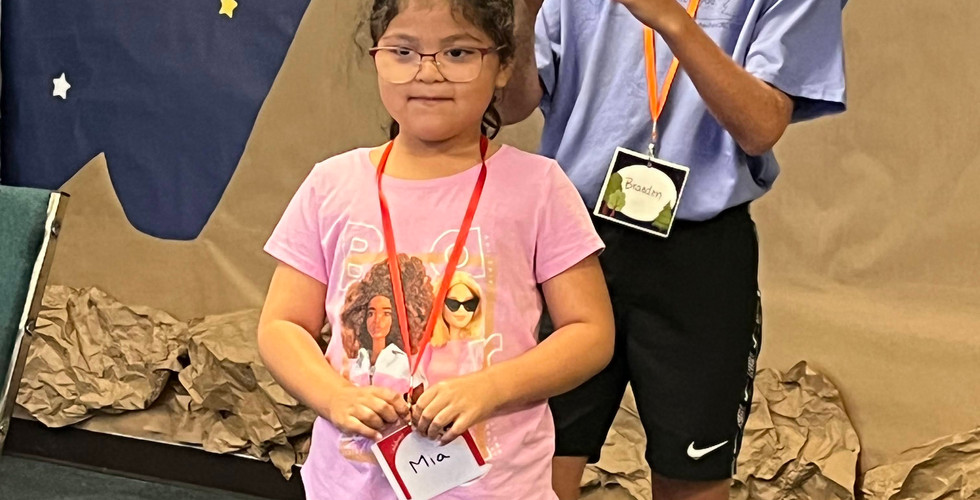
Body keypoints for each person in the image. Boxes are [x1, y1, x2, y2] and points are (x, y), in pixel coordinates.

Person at [257, 0, 614, 498]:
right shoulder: (332, 184)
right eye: (403, 52)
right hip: (350, 485)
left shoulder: (539, 187)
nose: (428, 73)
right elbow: (281, 325)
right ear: (376, 56)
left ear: (503, 64)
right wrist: (335, 397)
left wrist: (491, 388)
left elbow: (590, 332)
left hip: (499, 486)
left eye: (459, 52)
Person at [500, 1, 847, 499]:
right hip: (572, 245)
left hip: (700, 254)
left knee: (693, 472)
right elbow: (512, 106)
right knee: (537, 458)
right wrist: (522, 16)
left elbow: (761, 127)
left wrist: (672, 20)